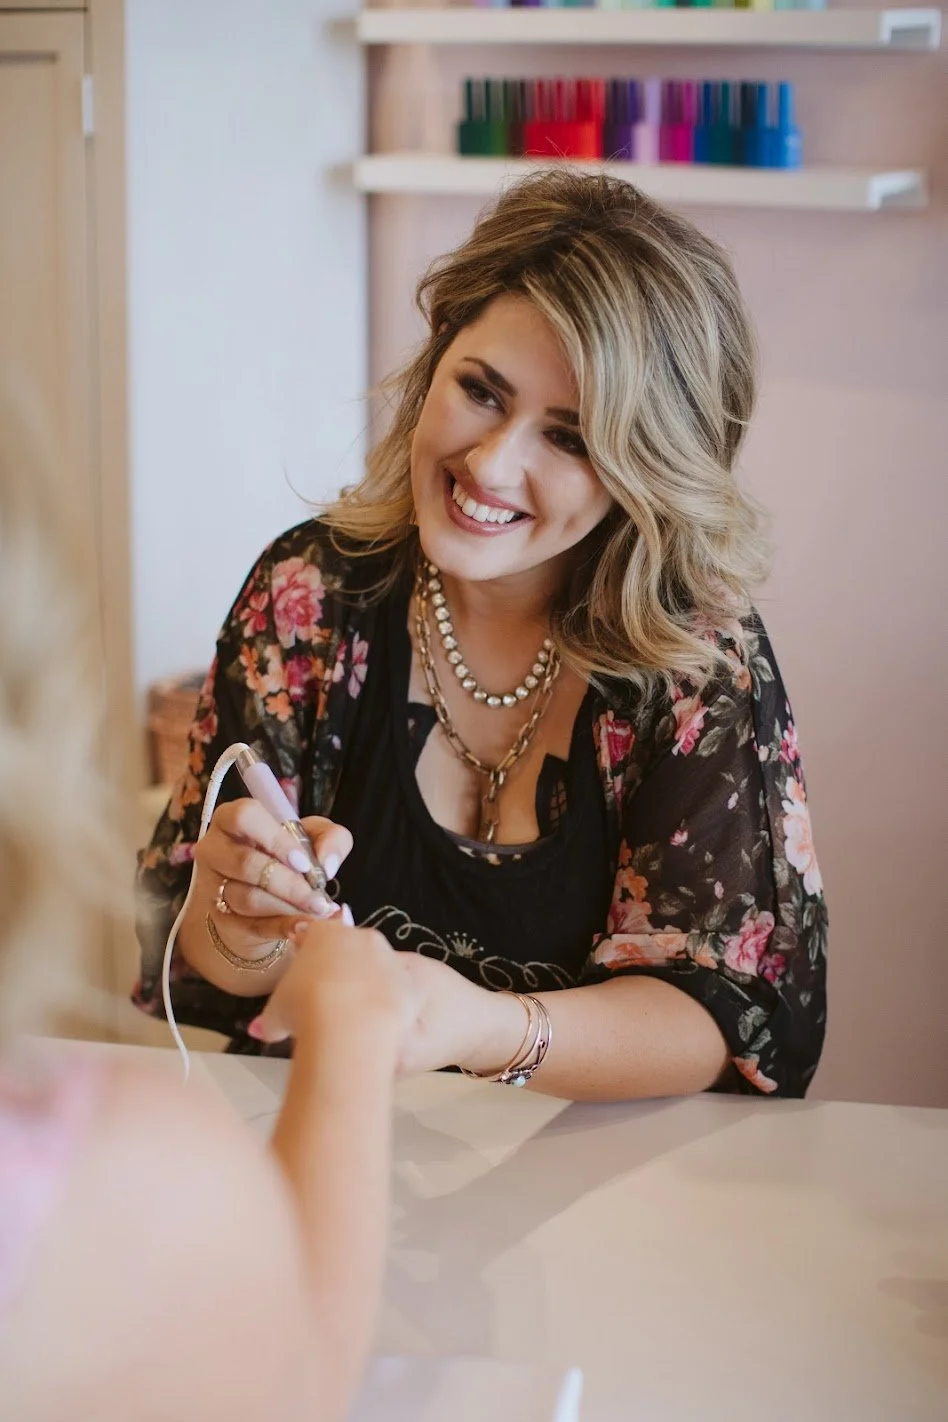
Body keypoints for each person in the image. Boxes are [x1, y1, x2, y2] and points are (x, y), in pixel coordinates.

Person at [135, 169, 828, 1098]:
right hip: (333, 1146)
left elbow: (720, 1008)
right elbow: (213, 957)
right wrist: (242, 923)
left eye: (571, 438)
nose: (493, 465)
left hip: (590, 1191)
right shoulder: (310, 592)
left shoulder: (696, 659)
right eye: (483, 391)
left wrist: (485, 1027)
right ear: (436, 364)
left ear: (646, 473)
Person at [0, 385, 414, 1419]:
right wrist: (351, 1029)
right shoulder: (125, 1175)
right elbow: (299, 1373)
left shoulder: (703, 655)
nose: (498, 465)